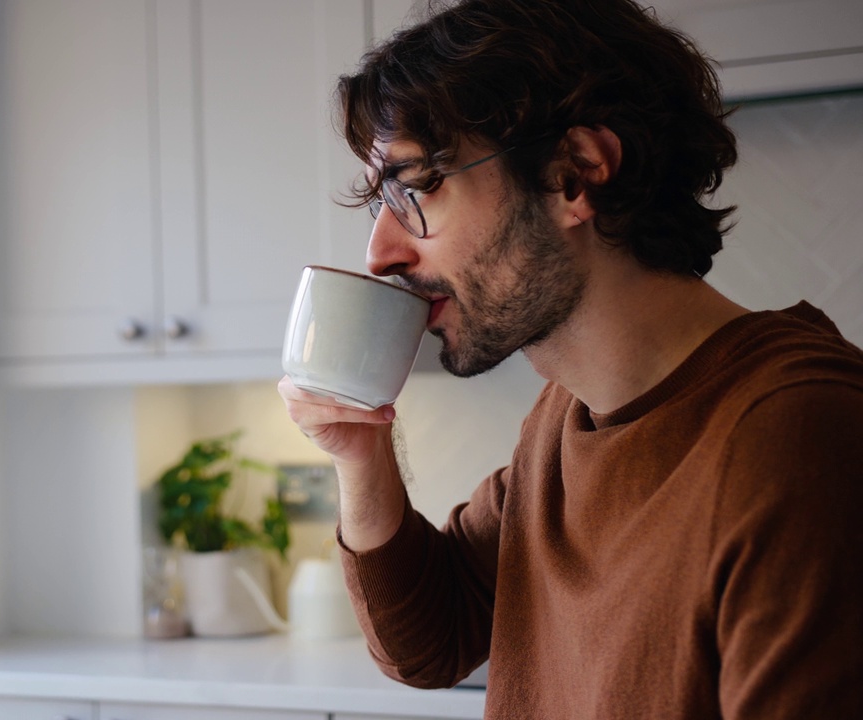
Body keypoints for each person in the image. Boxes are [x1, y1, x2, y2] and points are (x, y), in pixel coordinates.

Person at [276, 0, 863, 718]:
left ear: (573, 174)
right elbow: (428, 643)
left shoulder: (799, 435)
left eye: (419, 187)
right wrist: (359, 451)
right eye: (381, 202)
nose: (382, 252)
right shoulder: (565, 417)